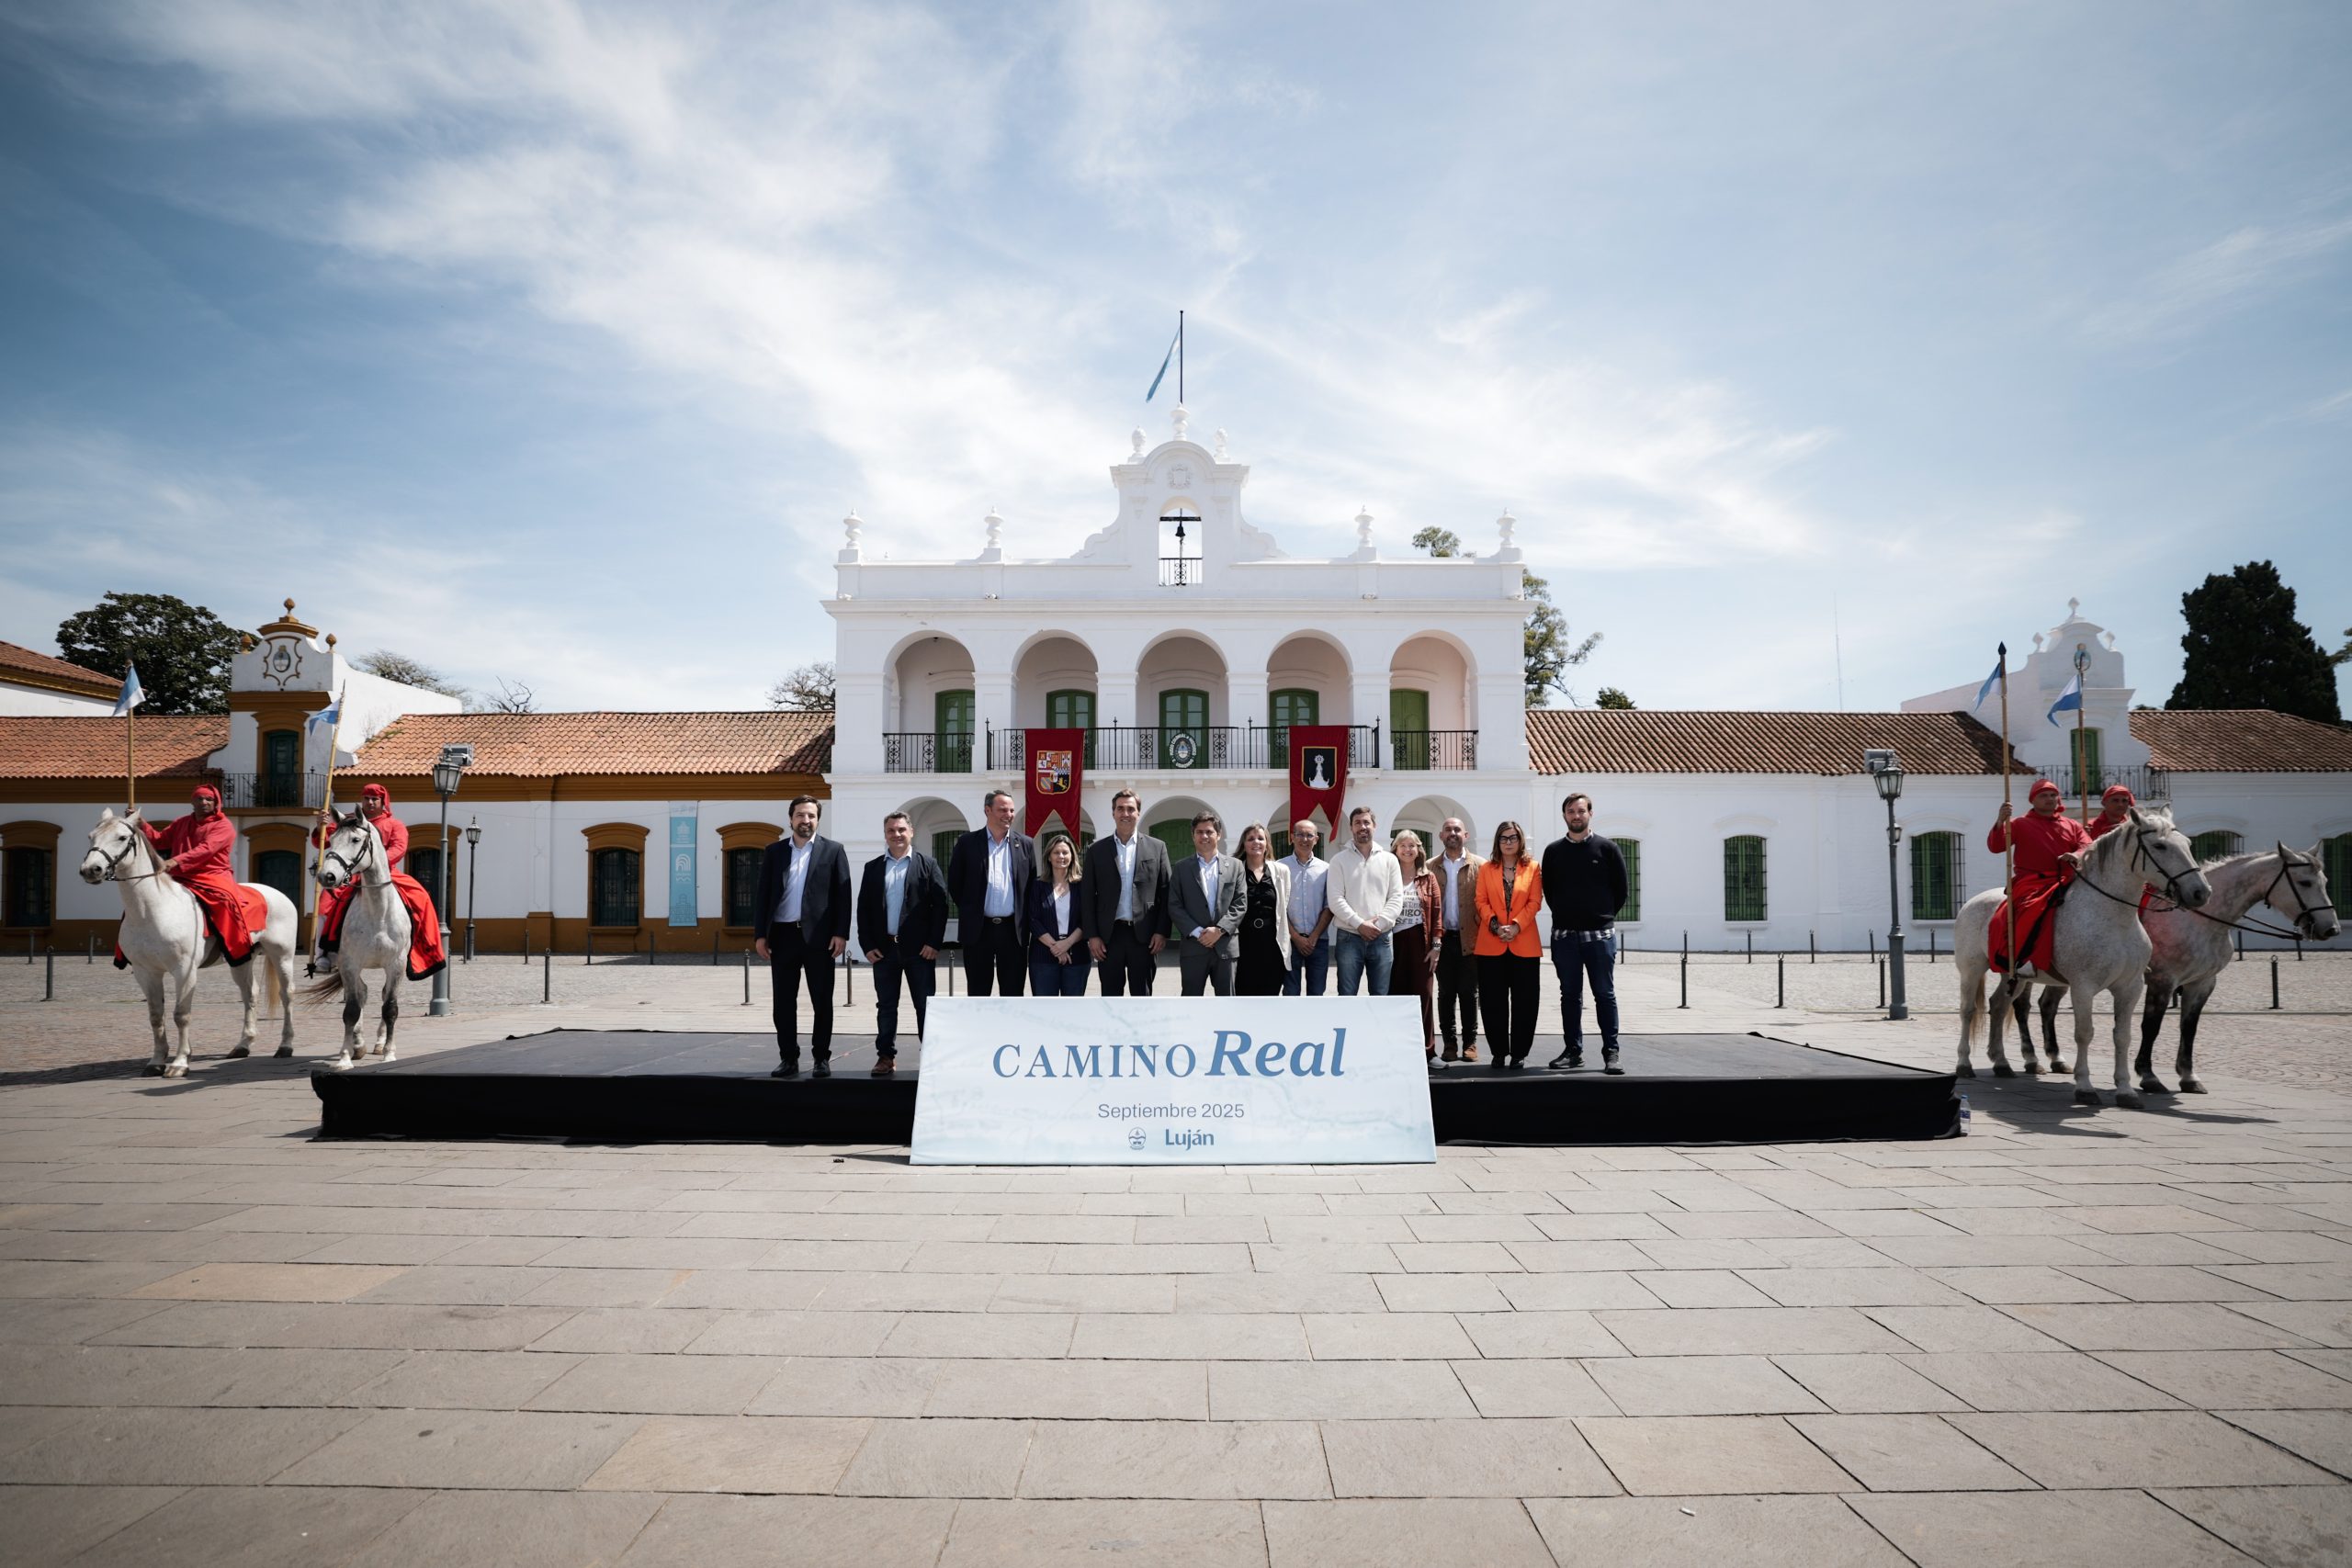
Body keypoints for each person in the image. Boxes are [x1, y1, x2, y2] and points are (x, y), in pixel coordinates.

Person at [754, 795, 852, 1077]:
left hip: (819, 939)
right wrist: (761, 934)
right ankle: (788, 1058)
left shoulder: (833, 851)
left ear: (818, 819)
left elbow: (842, 896)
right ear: (790, 819)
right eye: (800, 815)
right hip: (782, 936)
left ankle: (821, 1058)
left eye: (810, 815)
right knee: (783, 1002)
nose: (805, 820)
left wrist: (841, 933)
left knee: (822, 1000)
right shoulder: (774, 852)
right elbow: (763, 895)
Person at [311, 783, 444, 974]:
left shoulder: (394, 825)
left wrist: (376, 864)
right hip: (354, 873)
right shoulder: (349, 822)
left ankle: (423, 949)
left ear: (383, 802)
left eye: (375, 799)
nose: (370, 802)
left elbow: (398, 848)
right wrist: (320, 826)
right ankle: (324, 954)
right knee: (327, 899)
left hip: (387, 873)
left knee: (420, 897)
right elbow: (323, 842)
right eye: (366, 798)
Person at [1542, 792, 1629, 1074]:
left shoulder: (1608, 849)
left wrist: (1599, 918)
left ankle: (1611, 1053)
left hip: (1599, 937)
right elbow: (1550, 892)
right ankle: (1573, 1051)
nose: (1576, 816)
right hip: (1565, 937)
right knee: (1570, 995)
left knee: (1604, 994)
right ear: (1564, 816)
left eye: (1581, 811)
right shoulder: (1553, 852)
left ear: (1590, 813)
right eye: (1570, 811)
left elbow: (1621, 892)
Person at [857, 811, 946, 1077]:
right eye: (891, 831)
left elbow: (940, 907)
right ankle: (885, 1057)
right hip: (884, 950)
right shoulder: (872, 868)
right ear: (885, 834)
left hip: (920, 951)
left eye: (901, 830)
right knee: (886, 1006)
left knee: (925, 1005)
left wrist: (934, 942)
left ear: (911, 832)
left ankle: (930, 1056)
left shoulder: (927, 865)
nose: (896, 835)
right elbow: (863, 909)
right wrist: (866, 944)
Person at [127, 784, 255, 963]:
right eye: (199, 798)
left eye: (209, 799)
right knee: (143, 900)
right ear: (192, 801)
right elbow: (160, 840)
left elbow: (206, 849)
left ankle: (234, 946)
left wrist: (175, 860)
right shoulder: (181, 822)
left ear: (216, 802)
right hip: (181, 875)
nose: (204, 802)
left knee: (225, 901)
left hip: (212, 874)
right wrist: (142, 824)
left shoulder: (223, 826)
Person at [1986, 779, 2091, 976]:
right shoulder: (2019, 824)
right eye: (2044, 795)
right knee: (2030, 908)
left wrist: (2076, 856)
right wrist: (2001, 821)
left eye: (2053, 795)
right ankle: (2024, 957)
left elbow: (2086, 845)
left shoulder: (2072, 825)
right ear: (2033, 800)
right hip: (2032, 882)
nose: (2050, 799)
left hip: (2068, 879)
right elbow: (1996, 846)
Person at [1084, 789, 1171, 995]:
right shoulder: (1097, 850)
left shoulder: (1157, 847)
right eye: (1120, 809)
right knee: (1111, 997)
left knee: (1142, 997)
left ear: (1138, 813)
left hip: (1144, 937)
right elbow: (1087, 896)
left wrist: (1161, 931)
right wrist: (1093, 935)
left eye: (1131, 809)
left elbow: (1166, 892)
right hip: (1108, 937)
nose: (1125, 813)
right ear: (1113, 813)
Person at [948, 789, 1034, 997]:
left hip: (1013, 931)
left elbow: (1029, 886)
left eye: (1012, 810)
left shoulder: (1025, 844)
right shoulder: (967, 843)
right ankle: (979, 1030)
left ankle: (1009, 1030)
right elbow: (955, 884)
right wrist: (972, 909)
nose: (1009, 814)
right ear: (987, 810)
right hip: (979, 930)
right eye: (1003, 809)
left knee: (1013, 992)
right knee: (978, 992)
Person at [1474, 821, 1544, 1068]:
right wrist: (1495, 926)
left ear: (1520, 840)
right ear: (1497, 842)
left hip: (1524, 942)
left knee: (1525, 1001)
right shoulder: (1486, 869)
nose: (1508, 842)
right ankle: (1498, 1051)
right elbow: (1480, 900)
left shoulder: (1533, 868)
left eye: (1513, 837)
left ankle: (1519, 1053)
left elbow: (1535, 902)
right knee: (1493, 1001)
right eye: (1503, 838)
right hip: (1491, 943)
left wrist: (1515, 926)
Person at [1327, 805, 1404, 995]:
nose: (1362, 827)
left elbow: (1396, 896)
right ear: (1351, 827)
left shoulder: (1389, 860)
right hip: (1348, 937)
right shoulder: (1338, 860)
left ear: (1374, 826)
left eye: (1366, 822)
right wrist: (1360, 924)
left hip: (1382, 937)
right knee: (1347, 995)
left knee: (1380, 995)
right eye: (1357, 823)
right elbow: (1335, 899)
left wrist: (1378, 925)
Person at [1170, 810, 1244, 995]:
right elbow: (1174, 905)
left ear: (1218, 835)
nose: (1204, 836)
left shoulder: (1235, 866)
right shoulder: (1181, 868)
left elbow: (1240, 903)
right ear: (1193, 835)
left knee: (1227, 1003)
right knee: (1191, 1003)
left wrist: (1218, 931)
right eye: (1199, 832)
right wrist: (1198, 933)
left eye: (1209, 832)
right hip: (1194, 947)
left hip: (1226, 947)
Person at [1391, 829, 1445, 1071]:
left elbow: (1436, 913)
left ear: (1419, 849)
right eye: (1402, 845)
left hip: (1420, 942)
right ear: (1395, 849)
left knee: (1423, 997)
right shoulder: (1388, 875)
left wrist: (1436, 947)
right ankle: (1396, 1051)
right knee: (1394, 996)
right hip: (1392, 943)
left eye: (1412, 845)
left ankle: (1428, 1051)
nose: (1407, 850)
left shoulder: (1428, 877)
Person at [1432, 817, 1481, 1062]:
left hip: (1470, 938)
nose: (1452, 833)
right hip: (1442, 940)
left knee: (1469, 993)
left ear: (1466, 835)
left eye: (1457, 829)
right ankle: (1449, 1043)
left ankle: (1470, 1044)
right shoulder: (1430, 866)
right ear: (1441, 836)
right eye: (1448, 830)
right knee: (1445, 993)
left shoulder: (1480, 866)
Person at [1025, 835, 1091, 997]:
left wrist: (1066, 944)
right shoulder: (1037, 885)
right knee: (1046, 1011)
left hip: (1077, 956)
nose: (1061, 857)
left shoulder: (1083, 885)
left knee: (1073, 1011)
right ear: (1049, 856)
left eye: (1065, 853)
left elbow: (1087, 918)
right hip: (1043, 957)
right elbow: (1032, 919)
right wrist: (1057, 948)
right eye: (1056, 853)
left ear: (1072, 856)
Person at [1234, 821, 1294, 996]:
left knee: (1270, 993)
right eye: (1250, 839)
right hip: (1243, 942)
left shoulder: (1281, 870)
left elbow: (1285, 904)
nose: (1256, 842)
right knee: (1243, 993)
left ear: (1267, 843)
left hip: (1272, 943)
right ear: (1244, 845)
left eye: (1260, 838)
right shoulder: (1236, 869)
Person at [1281, 818, 1333, 997]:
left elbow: (1329, 906)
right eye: (1300, 834)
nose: (1304, 839)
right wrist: (1295, 937)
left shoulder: (1326, 869)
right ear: (1292, 837)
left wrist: (1314, 937)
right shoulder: (1280, 867)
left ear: (1316, 839)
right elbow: (1278, 907)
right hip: (1289, 941)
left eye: (1309, 835)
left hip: (1318, 942)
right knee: (1290, 993)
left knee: (1317, 993)